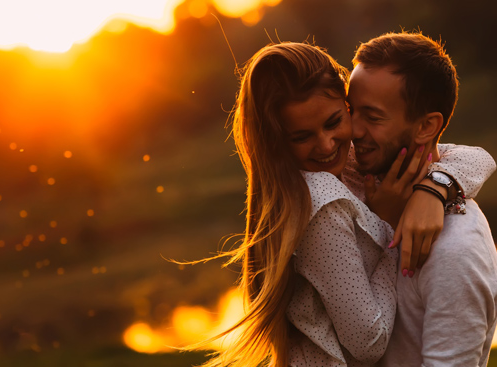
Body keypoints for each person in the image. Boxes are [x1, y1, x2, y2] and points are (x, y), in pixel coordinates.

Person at [189, 42, 493, 367]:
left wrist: (435, 188)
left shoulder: (348, 160)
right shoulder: (319, 199)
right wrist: (390, 226)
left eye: (337, 120)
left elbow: (477, 156)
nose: (326, 143)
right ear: (279, 140)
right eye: (301, 136)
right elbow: (369, 343)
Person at [347, 32, 497, 366]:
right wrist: (435, 184)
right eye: (350, 110)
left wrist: (435, 186)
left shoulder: (455, 250)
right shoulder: (355, 175)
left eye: (372, 117)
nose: (352, 131)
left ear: (426, 126)